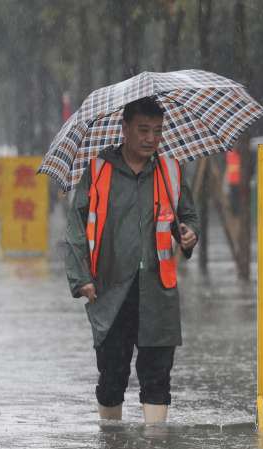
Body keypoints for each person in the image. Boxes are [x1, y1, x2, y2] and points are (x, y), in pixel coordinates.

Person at [63, 97, 199, 424]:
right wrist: (80, 279)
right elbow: (75, 229)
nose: (151, 138)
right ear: (125, 129)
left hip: (158, 290)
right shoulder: (98, 171)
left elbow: (189, 215)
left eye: (157, 131)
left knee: (157, 378)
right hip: (111, 290)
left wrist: (189, 233)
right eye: (143, 130)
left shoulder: (170, 171)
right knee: (112, 376)